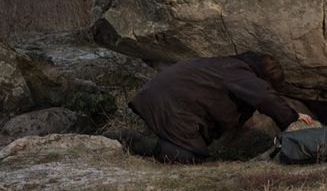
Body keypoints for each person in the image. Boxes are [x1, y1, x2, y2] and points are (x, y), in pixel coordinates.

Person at [113, 51, 313, 164]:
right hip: (171, 106)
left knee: (191, 147)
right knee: (192, 158)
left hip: (153, 96)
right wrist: (292, 117)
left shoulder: (225, 63)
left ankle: (144, 139)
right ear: (264, 79)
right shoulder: (242, 75)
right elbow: (263, 96)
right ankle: (134, 140)